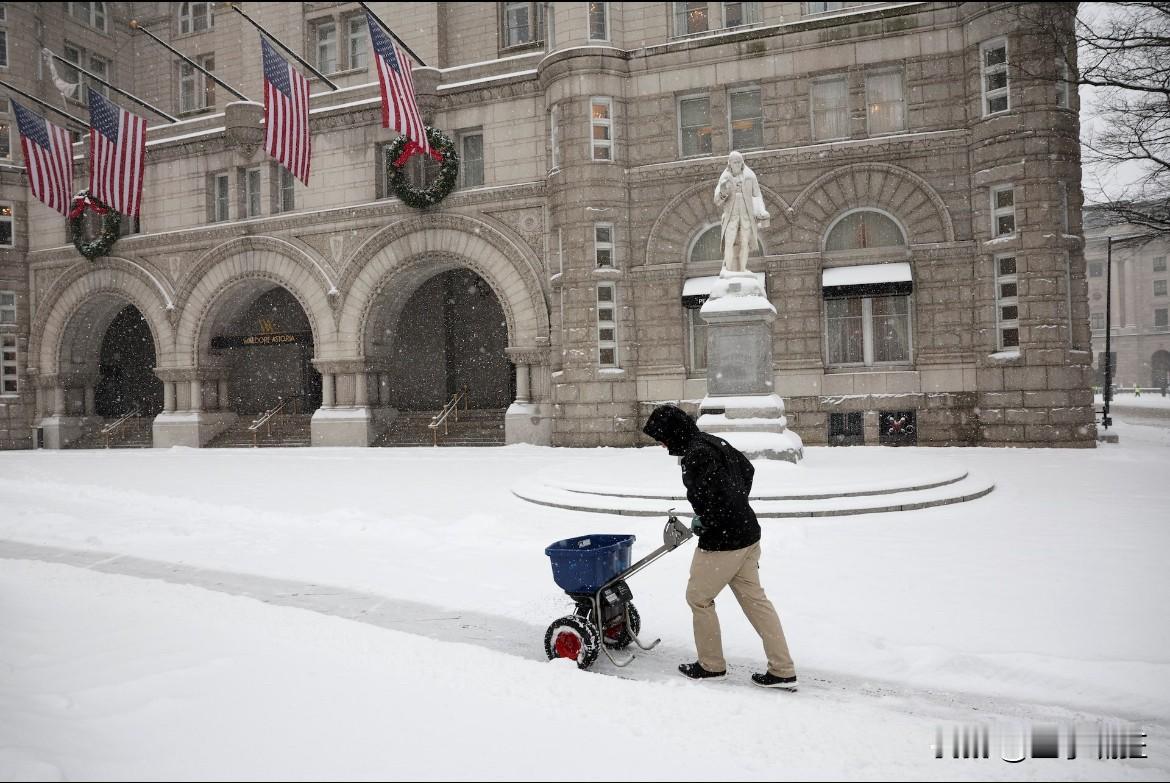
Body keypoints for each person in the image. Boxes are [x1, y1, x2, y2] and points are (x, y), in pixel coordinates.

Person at [642, 403, 797, 689]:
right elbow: (746, 471)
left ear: (672, 432)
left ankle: (711, 665)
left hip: (724, 542)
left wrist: (707, 520)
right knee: (755, 601)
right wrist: (736, 506)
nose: (662, 445)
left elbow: (716, 500)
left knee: (698, 598)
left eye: (661, 437)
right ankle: (782, 669)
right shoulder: (712, 442)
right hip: (747, 534)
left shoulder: (696, 455)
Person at [714, 151, 770, 275]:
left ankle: (743, 269)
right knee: (729, 242)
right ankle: (728, 270)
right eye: (735, 162)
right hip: (731, 216)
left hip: (746, 215)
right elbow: (717, 200)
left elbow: (757, 196)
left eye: (739, 162)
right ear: (730, 163)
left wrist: (761, 210)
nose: (738, 164)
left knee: (745, 243)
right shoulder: (724, 178)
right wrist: (723, 191)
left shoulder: (750, 176)